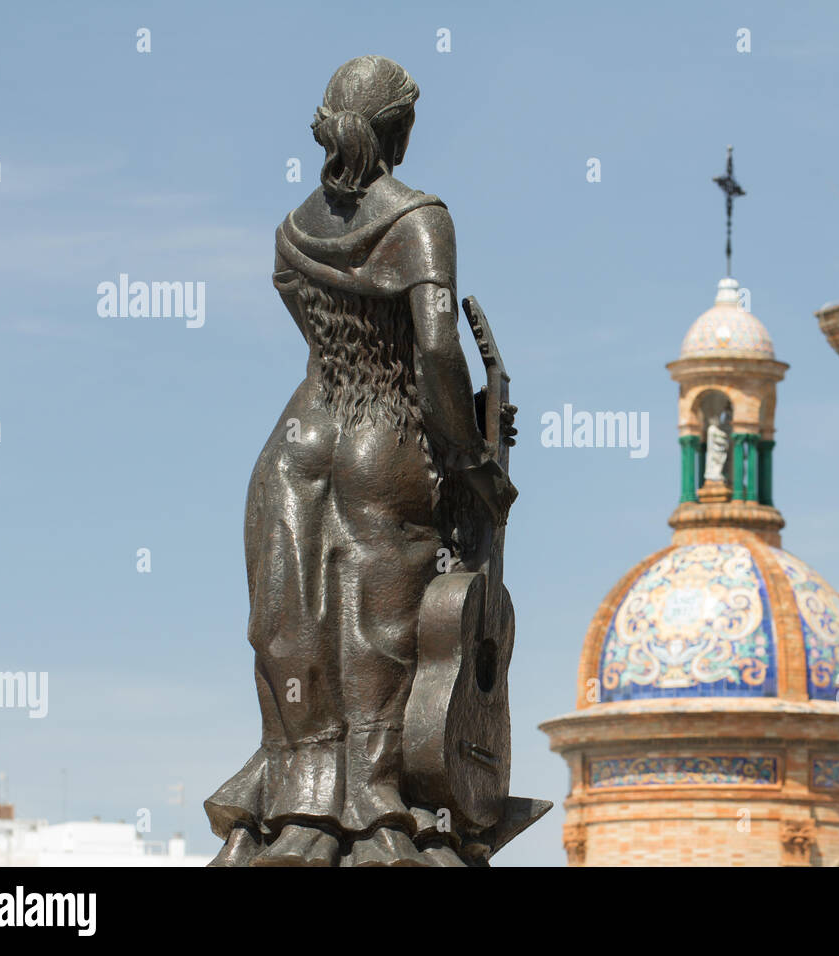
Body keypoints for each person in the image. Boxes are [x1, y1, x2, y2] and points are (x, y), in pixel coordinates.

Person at [204, 55, 513, 866]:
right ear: (398, 127)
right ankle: (375, 805)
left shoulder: (292, 229)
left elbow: (313, 327)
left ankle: (301, 801)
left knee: (294, 614)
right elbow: (438, 348)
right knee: (379, 618)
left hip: (299, 435)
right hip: (383, 431)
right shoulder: (419, 219)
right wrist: (470, 454)